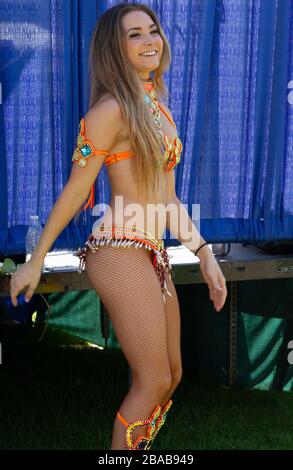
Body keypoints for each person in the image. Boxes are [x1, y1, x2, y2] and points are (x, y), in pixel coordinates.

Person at [9, 3, 227, 451]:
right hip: (118, 248)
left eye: (153, 31)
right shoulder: (109, 110)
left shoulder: (159, 110)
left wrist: (205, 254)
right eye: (135, 35)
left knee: (171, 376)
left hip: (153, 251)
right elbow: (75, 191)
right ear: (115, 47)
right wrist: (35, 261)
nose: (151, 40)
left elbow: (167, 202)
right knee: (150, 380)